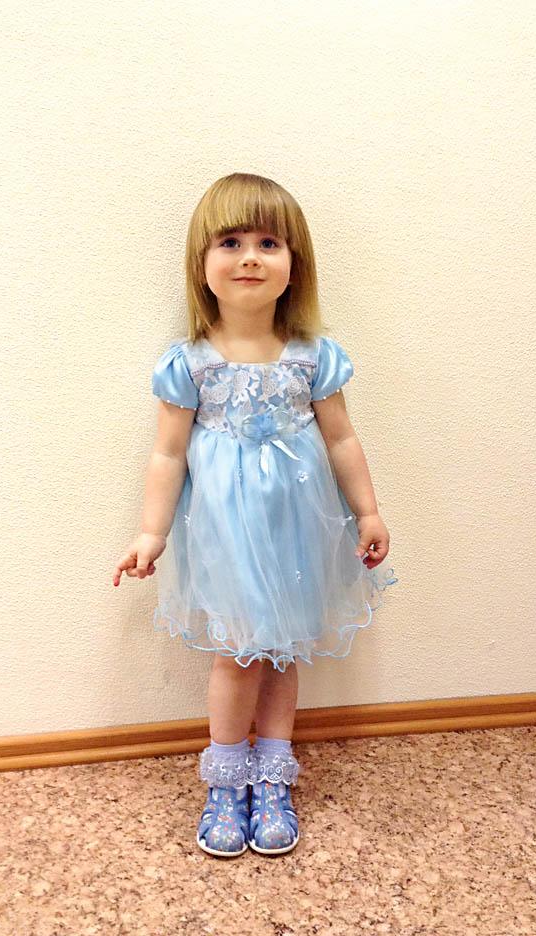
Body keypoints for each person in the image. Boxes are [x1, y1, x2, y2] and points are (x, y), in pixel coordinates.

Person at [112, 172, 398, 859]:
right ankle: (225, 779)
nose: (249, 258)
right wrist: (150, 532)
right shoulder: (191, 364)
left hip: (296, 532)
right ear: (202, 263)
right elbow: (167, 455)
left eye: (269, 243)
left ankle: (272, 774)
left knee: (282, 652)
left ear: (295, 264)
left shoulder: (312, 357)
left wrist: (367, 511)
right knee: (237, 655)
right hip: (225, 537)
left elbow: (341, 439)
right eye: (231, 242)